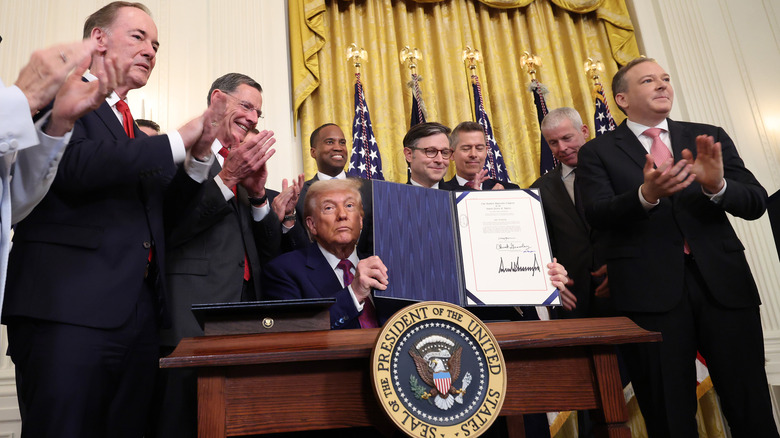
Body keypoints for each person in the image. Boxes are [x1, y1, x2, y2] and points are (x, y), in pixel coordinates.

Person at [3, 3, 223, 437]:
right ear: (98, 39)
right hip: (66, 313)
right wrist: (178, 140)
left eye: (156, 44)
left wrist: (198, 161)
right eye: (139, 37)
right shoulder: (56, 89)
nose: (151, 51)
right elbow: (74, 167)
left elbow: (160, 215)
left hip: (137, 319)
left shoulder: (127, 125)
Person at [577, 57, 778, 437]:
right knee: (668, 412)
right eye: (649, 80)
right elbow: (597, 214)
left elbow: (755, 202)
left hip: (724, 287)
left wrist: (718, 187)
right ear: (622, 98)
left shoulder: (707, 135)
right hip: (649, 295)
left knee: (750, 402)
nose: (662, 85)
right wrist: (644, 195)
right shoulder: (597, 152)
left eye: (665, 79)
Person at [148, 72, 303, 437]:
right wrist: (227, 180)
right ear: (218, 100)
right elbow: (172, 231)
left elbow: (265, 252)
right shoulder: (180, 155)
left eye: (258, 113)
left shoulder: (245, 164)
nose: (252, 118)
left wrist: (261, 196)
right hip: (190, 321)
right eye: (245, 106)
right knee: (179, 424)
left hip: (245, 320)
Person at [0, 39, 120, 299]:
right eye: (137, 36)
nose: (149, 51)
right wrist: (24, 99)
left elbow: (12, 205)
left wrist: (57, 127)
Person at [263, 178, 388, 329]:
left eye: (349, 206)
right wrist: (353, 293)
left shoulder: (384, 264)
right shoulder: (284, 271)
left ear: (360, 220)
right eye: (329, 208)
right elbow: (295, 332)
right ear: (312, 225)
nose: (342, 215)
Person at [531, 108, 607, 318]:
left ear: (584, 130)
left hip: (624, 284)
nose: (562, 148)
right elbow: (540, 248)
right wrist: (552, 288)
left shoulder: (613, 171)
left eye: (567, 138)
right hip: (573, 297)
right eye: (553, 143)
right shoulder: (539, 189)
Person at [298, 123, 373, 257]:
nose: (338, 148)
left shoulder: (370, 189)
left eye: (342, 142)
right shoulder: (300, 195)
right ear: (313, 152)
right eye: (330, 142)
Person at [440, 121, 519, 191]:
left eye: (479, 148)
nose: (473, 154)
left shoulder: (510, 191)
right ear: (452, 154)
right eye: (466, 148)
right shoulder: (442, 193)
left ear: (486, 152)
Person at [403, 122, 452, 188]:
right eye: (431, 151)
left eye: (445, 153)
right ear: (409, 154)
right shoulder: (393, 197)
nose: (440, 160)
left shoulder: (464, 196)